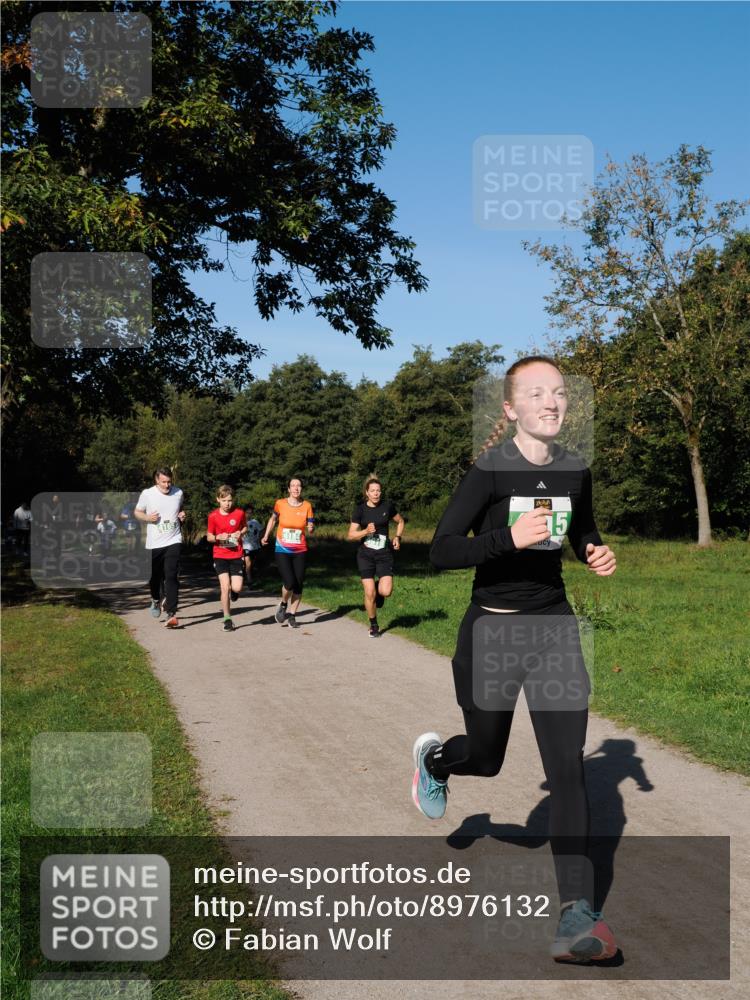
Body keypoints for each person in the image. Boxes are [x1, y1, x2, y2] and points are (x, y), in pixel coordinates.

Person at [411, 356, 618, 963]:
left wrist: (593, 551)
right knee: (487, 757)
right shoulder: (489, 471)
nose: (551, 402)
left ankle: (577, 914)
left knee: (569, 766)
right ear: (511, 409)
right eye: (535, 394)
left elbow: (583, 530)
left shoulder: (575, 470)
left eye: (558, 392)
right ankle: (437, 760)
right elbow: (442, 551)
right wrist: (508, 539)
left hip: (553, 627)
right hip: (493, 632)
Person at [348, 476, 404, 637]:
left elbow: (400, 522)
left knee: (385, 592)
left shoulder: (387, 506)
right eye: (372, 491)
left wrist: (397, 537)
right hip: (365, 555)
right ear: (367, 492)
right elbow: (351, 535)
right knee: (369, 592)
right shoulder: (360, 509)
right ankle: (373, 625)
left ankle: (379, 589)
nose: (376, 493)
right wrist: (365, 531)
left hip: (384, 554)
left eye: (378, 490)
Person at [135, 467, 186, 628]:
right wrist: (147, 517)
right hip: (154, 543)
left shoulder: (178, 493)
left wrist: (181, 515)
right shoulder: (147, 494)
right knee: (154, 577)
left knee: (171, 575)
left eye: (169, 481)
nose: (167, 485)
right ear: (156, 480)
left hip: (174, 539)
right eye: (163, 482)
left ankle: (171, 613)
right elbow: (137, 512)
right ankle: (156, 599)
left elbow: (179, 509)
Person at [261, 478, 314, 629]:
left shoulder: (307, 506)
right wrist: (266, 535)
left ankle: (292, 615)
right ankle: (284, 603)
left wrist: (311, 528)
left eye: (299, 486)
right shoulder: (280, 503)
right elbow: (273, 519)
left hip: (300, 550)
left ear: (301, 489)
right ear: (289, 489)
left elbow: (311, 524)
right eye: (293, 486)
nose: (296, 488)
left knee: (298, 584)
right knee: (289, 582)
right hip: (282, 549)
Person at [207, 485, 247, 632]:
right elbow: (209, 536)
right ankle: (227, 619)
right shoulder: (213, 516)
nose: (227, 504)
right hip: (220, 555)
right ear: (218, 499)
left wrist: (239, 533)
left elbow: (245, 528)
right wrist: (218, 537)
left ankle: (235, 592)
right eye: (224, 500)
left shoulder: (239, 513)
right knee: (225, 587)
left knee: (236, 587)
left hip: (236, 554)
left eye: (230, 500)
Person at [241, 502, 264, 589]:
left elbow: (262, 529)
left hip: (255, 546)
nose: (248, 514)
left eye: (250, 513)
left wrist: (260, 537)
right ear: (243, 512)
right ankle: (249, 581)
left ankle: (249, 577)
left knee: (252, 564)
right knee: (248, 562)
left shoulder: (254, 522)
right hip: (244, 546)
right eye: (247, 512)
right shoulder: (240, 522)